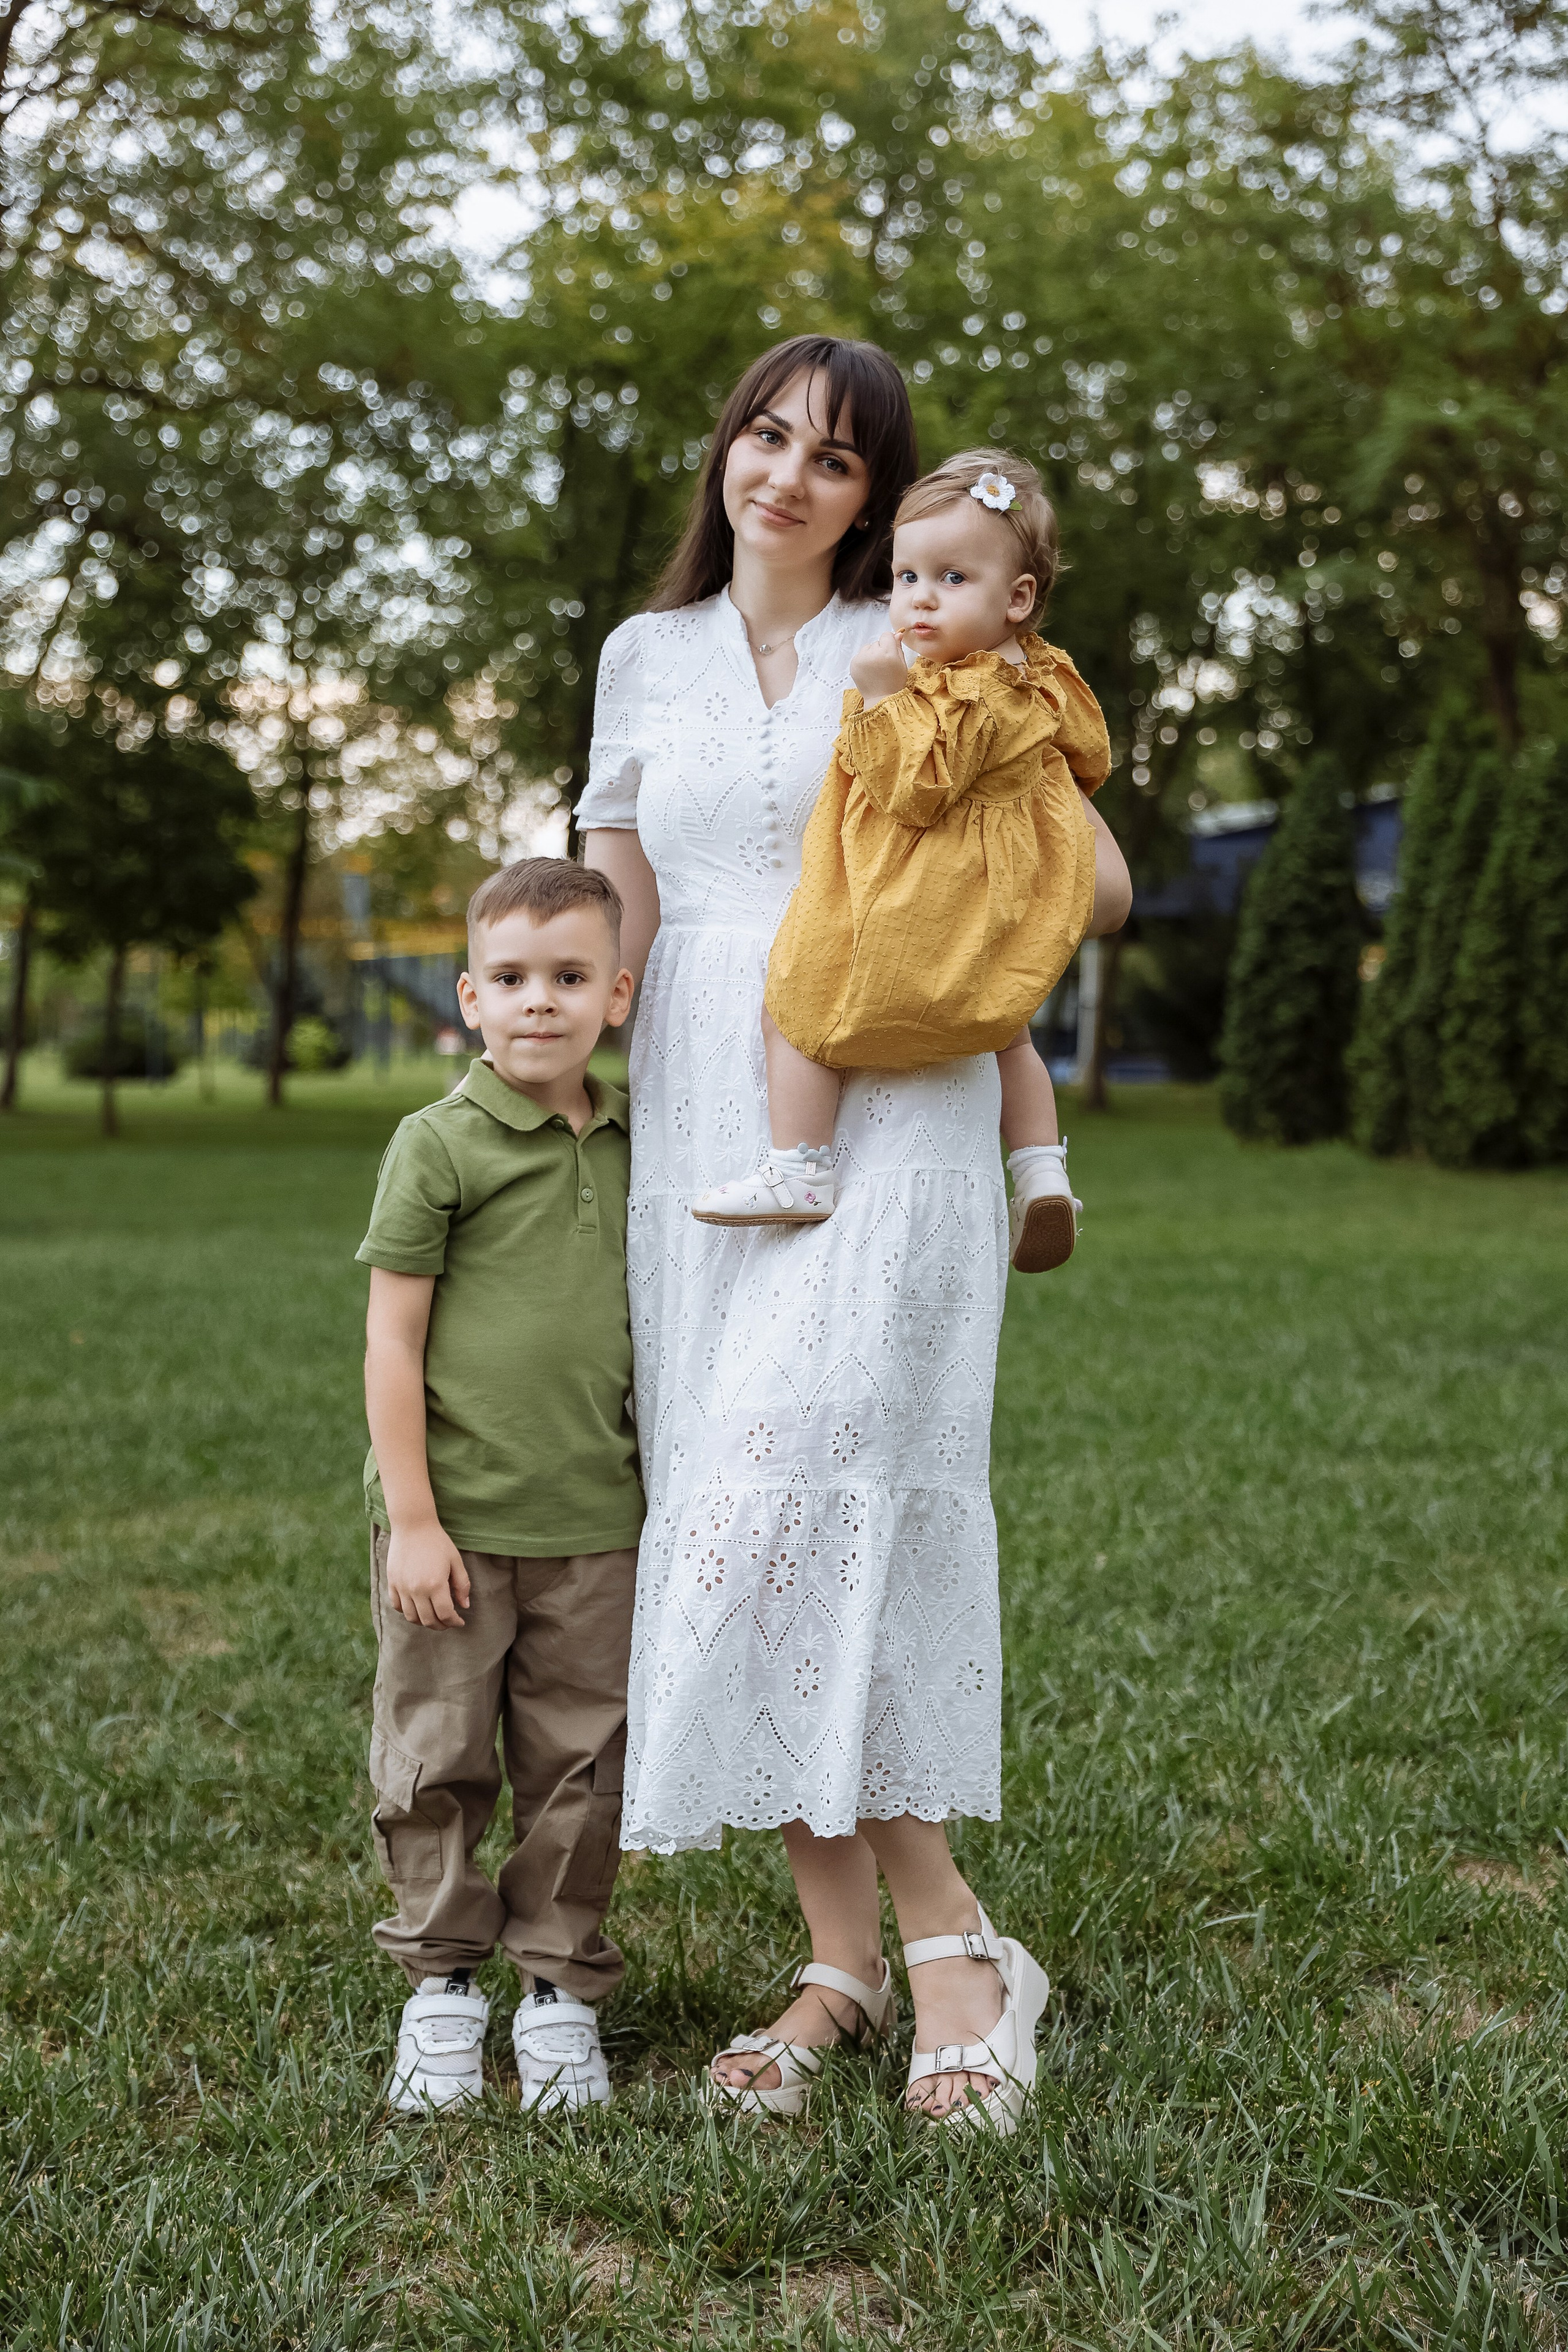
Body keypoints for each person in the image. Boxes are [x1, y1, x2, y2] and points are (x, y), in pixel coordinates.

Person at [581, 333, 1131, 2132]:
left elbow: (1098, 883)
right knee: (737, 1518)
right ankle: (845, 1965)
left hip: (892, 1101)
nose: (788, 477)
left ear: (877, 502)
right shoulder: (643, 655)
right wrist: (555, 1058)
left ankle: (958, 1950)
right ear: (725, 450)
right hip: (703, 1108)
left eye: (835, 458)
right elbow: (619, 892)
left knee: (807, 1492)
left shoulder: (921, 638)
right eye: (767, 436)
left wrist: (962, 914)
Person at [356, 858, 642, 2115]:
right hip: (456, 1528)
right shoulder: (437, 1144)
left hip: (599, 1525)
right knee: (436, 1755)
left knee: (582, 1765)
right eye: (513, 978)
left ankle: (558, 1990)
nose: (541, 1002)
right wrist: (414, 1521)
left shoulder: (639, 1142)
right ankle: (440, 1982)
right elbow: (392, 1341)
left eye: (570, 977)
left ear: (616, 995)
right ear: (470, 997)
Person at [690, 446, 1107, 1276]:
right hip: (989, 914)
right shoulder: (1037, 680)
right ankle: (1041, 1170)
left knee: (795, 1003)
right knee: (1008, 1031)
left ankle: (800, 1166)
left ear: (1018, 599)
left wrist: (883, 695)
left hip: (920, 911)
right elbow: (1088, 752)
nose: (919, 598)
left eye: (953, 579)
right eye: (907, 576)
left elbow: (914, 790)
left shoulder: (962, 692)